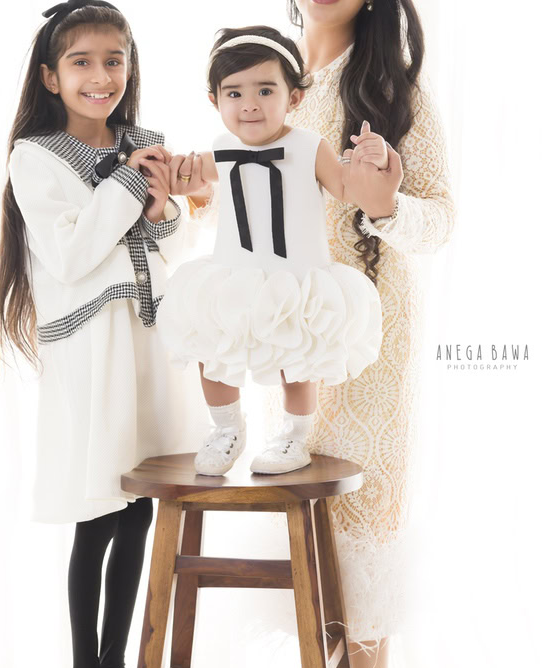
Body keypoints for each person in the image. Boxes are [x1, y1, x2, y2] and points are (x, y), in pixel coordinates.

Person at [171, 0, 456, 668]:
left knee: (357, 542)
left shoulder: (396, 89)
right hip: (271, 328)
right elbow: (226, 201)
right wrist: (180, 197)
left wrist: (380, 202)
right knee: (309, 542)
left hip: (363, 336)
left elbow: (439, 219)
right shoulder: (265, 77)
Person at [0, 0, 207, 668]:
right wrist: (125, 184)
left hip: (147, 342)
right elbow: (74, 253)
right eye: (81, 62)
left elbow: (169, 253)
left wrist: (163, 210)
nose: (100, 75)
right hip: (90, 351)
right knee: (97, 508)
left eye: (114, 59)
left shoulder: (144, 140)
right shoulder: (34, 157)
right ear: (51, 77)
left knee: (140, 505)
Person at [157, 25, 384, 475]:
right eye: (234, 93)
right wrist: (167, 170)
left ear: (294, 97)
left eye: (265, 89)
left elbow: (345, 187)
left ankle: (293, 439)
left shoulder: (309, 147)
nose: (250, 105)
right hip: (234, 276)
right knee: (214, 354)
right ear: (215, 101)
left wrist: (367, 162)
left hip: (297, 277)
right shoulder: (220, 150)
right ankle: (226, 429)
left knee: (297, 363)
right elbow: (189, 182)